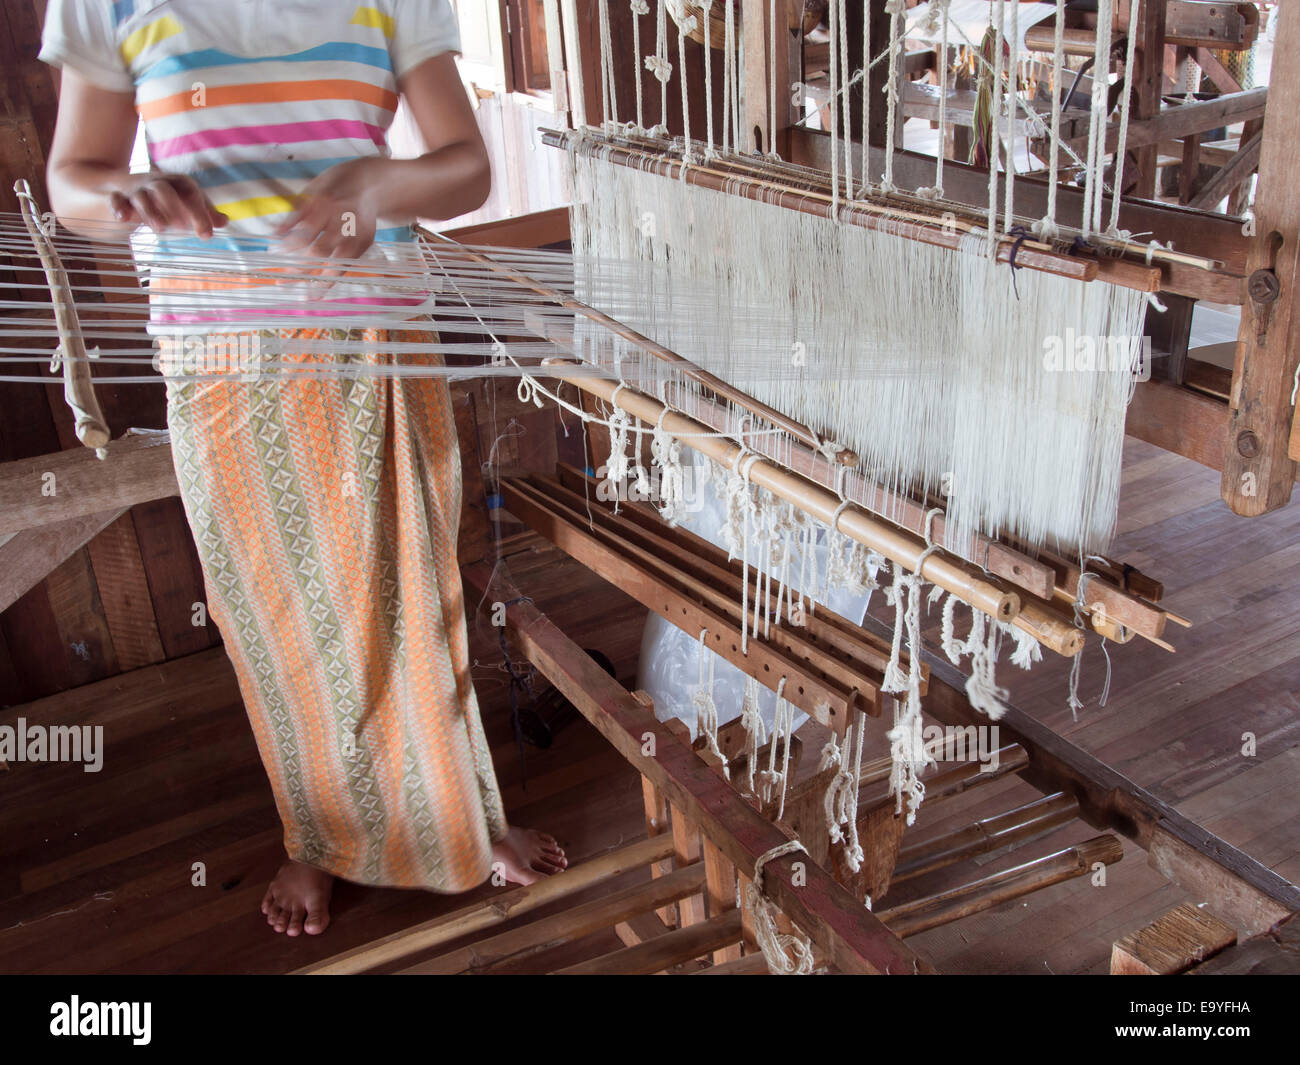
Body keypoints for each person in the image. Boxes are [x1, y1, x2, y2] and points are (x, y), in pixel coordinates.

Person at [40, 0, 566, 938]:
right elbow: (71, 183)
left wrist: (379, 184)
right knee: (277, 620)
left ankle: (464, 822)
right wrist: (124, 195)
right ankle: (316, 838)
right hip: (218, 354)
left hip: (373, 333)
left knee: (409, 596)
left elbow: (464, 166)